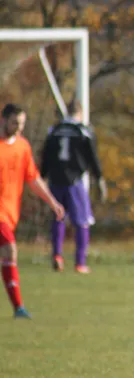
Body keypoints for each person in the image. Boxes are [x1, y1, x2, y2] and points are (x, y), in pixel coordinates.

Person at [0, 104, 65, 318]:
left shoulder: (22, 147)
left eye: (21, 124)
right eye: (14, 123)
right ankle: (19, 307)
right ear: (3, 120)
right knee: (10, 249)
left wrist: (52, 202)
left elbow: (33, 179)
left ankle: (18, 307)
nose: (19, 128)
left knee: (7, 254)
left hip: (10, 214)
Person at [40, 99, 107, 274]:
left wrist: (42, 177)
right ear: (80, 112)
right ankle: (80, 263)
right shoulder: (82, 131)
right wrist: (99, 179)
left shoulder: (53, 130)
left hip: (55, 181)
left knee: (58, 217)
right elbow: (92, 157)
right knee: (82, 222)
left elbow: (45, 155)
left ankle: (57, 255)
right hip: (74, 181)